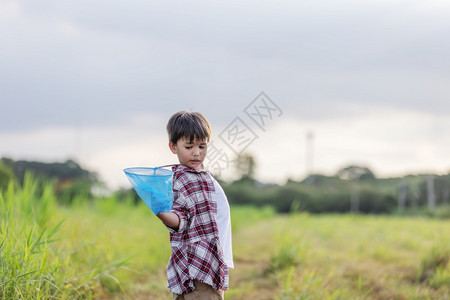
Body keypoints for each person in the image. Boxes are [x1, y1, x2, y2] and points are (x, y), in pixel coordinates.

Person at [157, 111, 234, 299]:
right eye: (189, 146)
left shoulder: (198, 177)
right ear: (173, 146)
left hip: (200, 262)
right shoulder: (184, 180)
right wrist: (159, 209)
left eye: (202, 146)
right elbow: (179, 220)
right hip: (200, 264)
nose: (197, 152)